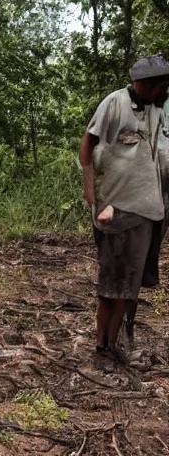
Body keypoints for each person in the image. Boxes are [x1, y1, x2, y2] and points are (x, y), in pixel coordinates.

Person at [79, 55, 169, 362]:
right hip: (118, 210)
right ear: (144, 84)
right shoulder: (115, 104)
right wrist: (90, 194)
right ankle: (103, 346)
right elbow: (88, 145)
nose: (165, 91)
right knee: (112, 284)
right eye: (161, 86)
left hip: (150, 211)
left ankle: (114, 342)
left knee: (130, 285)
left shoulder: (158, 110)